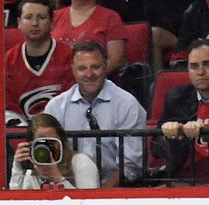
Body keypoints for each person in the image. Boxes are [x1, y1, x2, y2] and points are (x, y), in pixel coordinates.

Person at [42, 41, 146, 187]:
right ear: (73, 70)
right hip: (69, 191)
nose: (89, 74)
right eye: (82, 68)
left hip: (116, 191)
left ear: (105, 67)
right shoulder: (56, 107)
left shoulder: (127, 104)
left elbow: (131, 166)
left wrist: (98, 197)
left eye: (95, 67)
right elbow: (49, 159)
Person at [152, 39, 209, 186]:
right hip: (184, 180)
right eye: (194, 66)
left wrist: (207, 134)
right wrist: (170, 135)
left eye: (208, 64)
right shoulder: (175, 97)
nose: (200, 72)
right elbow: (155, 149)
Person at [4, 0, 76, 124]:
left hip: (62, 131)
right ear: (19, 23)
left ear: (52, 23)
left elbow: (72, 103)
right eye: (28, 17)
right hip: (20, 135)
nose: (35, 23)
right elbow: (3, 103)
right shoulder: (8, 60)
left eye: (41, 17)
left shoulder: (69, 57)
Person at [10, 113, 100, 189]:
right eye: (41, 144)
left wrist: (57, 178)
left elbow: (88, 204)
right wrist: (17, 169)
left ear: (62, 141)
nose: (47, 149)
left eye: (52, 142)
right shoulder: (31, 171)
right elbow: (15, 204)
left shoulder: (81, 162)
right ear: (31, 145)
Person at [51, 0, 129, 73]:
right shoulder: (53, 16)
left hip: (92, 80)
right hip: (54, 79)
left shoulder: (111, 17)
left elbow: (115, 60)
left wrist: (89, 75)